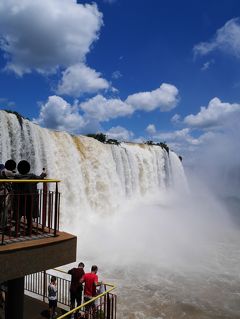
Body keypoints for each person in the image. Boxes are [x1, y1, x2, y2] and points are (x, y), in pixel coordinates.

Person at [13, 160, 46, 236]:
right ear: (28, 168)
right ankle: (29, 231)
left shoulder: (16, 177)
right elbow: (40, 178)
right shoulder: (32, 176)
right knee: (29, 216)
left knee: (18, 215)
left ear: (19, 168)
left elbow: (13, 186)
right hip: (30, 199)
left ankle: (17, 232)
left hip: (19, 199)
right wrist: (43, 174)